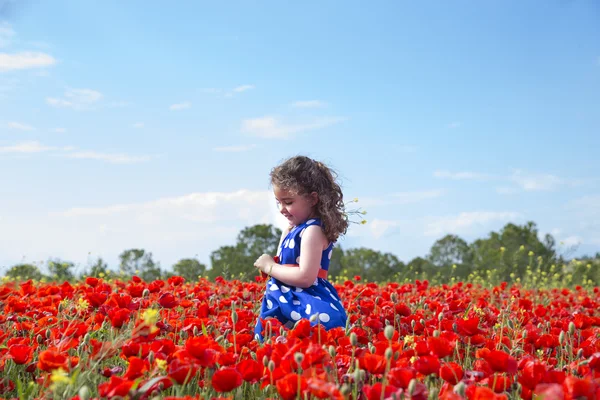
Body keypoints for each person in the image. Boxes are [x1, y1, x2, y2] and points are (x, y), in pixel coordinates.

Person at [253, 155, 349, 340]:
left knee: (300, 346)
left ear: (313, 199)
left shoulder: (312, 231)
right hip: (284, 301)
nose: (281, 208)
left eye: (288, 202)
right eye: (278, 202)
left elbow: (306, 277)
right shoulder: (294, 230)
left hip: (304, 303)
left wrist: (269, 267)